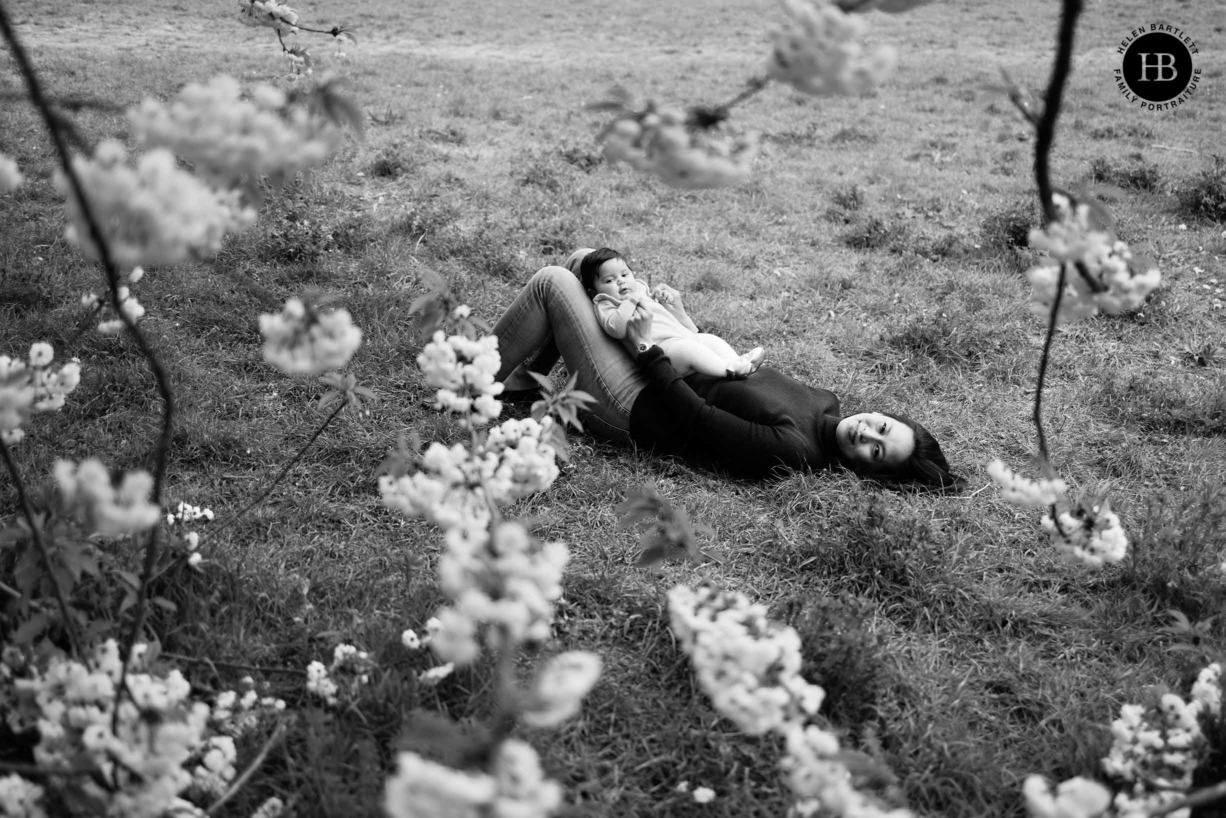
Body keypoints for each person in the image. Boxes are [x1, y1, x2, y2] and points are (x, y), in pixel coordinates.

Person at [491, 248, 962, 488]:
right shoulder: (826, 403)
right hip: (661, 365)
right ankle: (517, 380)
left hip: (636, 404)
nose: (868, 434)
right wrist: (676, 322)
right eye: (883, 427)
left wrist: (645, 349)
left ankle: (474, 376)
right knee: (586, 260)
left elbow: (696, 418)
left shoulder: (796, 452)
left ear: (868, 473)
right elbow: (725, 367)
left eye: (877, 451)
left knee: (555, 281)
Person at [579, 247, 765, 379]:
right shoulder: (606, 303)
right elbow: (616, 329)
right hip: (664, 352)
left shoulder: (640, 289)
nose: (621, 282)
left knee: (710, 340)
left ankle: (740, 361)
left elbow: (655, 305)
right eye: (610, 280)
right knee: (690, 351)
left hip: (683, 336)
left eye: (625, 274)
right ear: (594, 292)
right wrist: (629, 301)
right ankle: (728, 369)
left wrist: (661, 297)